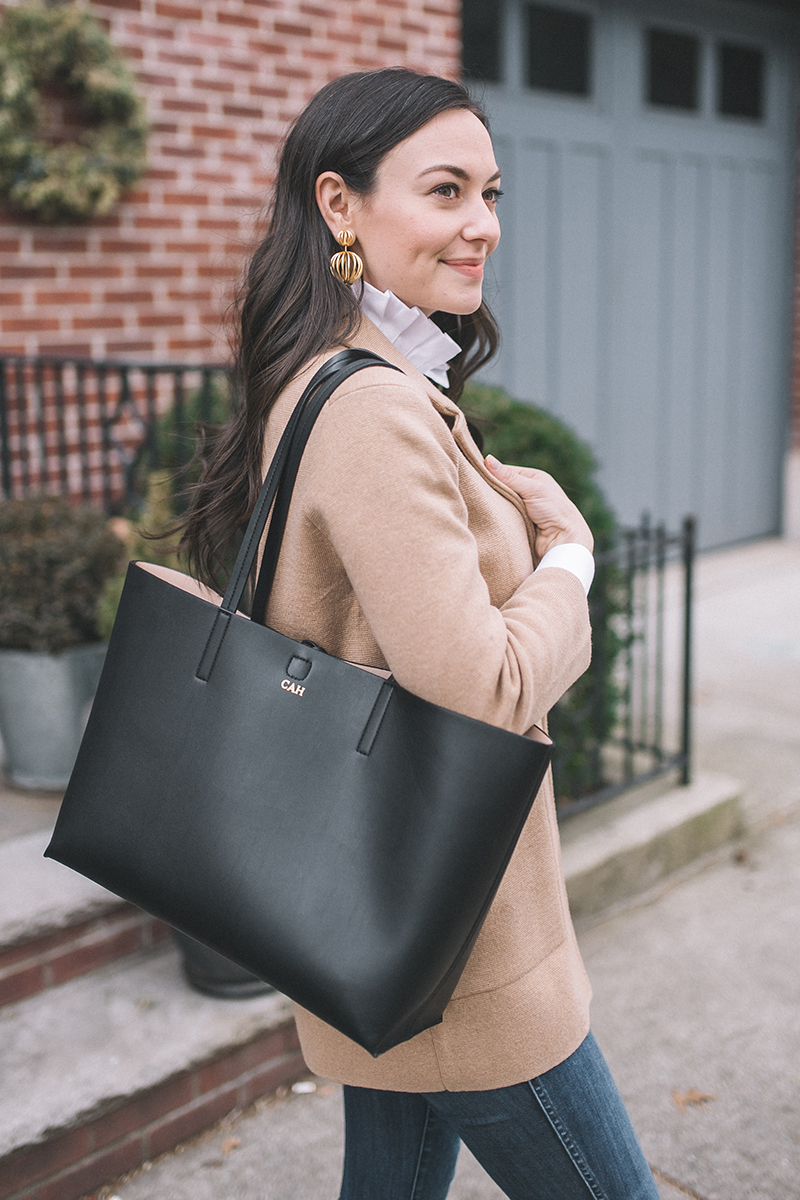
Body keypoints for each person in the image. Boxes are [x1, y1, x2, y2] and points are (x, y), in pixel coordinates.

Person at [179, 68, 659, 1200]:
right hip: (463, 949)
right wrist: (569, 565)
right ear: (338, 205)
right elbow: (481, 687)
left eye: (489, 192)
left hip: (379, 910)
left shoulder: (341, 378)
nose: (481, 225)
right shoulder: (372, 406)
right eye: (444, 191)